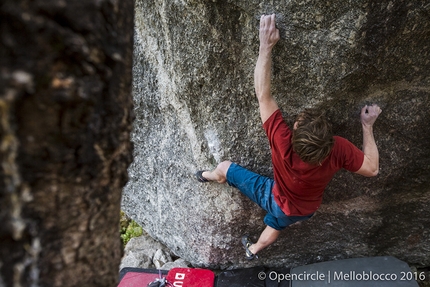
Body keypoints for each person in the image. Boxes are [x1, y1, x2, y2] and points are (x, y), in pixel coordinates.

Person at [195, 14, 382, 260]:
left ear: (293, 132)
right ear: (329, 136)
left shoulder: (283, 141)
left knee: (225, 167)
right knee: (275, 224)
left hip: (276, 199)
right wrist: (367, 126)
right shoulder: (338, 149)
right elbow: (372, 169)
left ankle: (209, 175)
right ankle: (253, 250)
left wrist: (265, 47)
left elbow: (263, 95)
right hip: (305, 210)